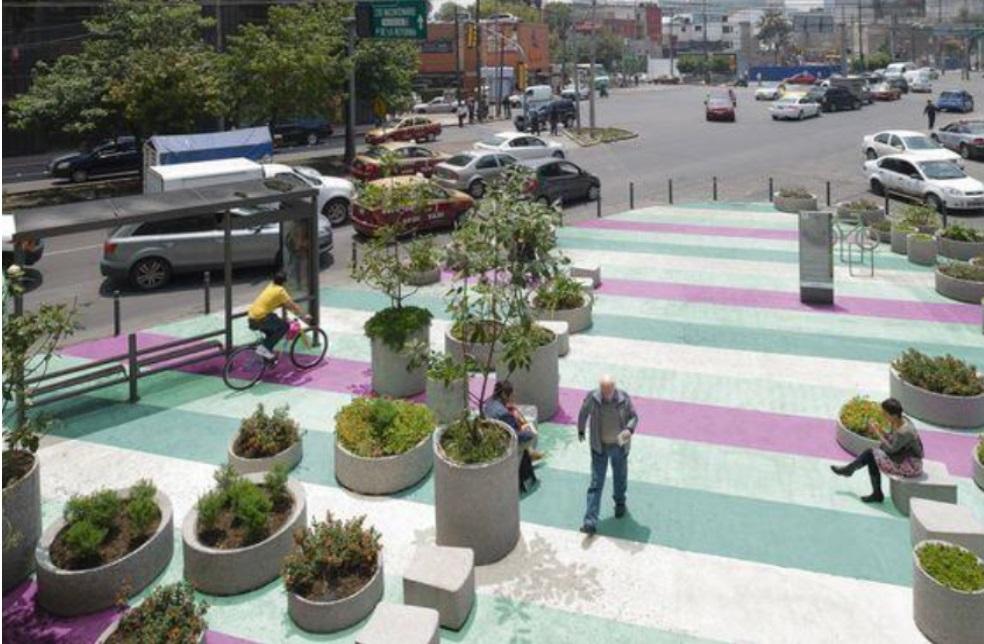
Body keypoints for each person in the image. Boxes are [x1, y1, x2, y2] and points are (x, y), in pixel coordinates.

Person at [830, 398, 924, 504]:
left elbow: (891, 449)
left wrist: (877, 433)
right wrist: (880, 430)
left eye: (885, 413)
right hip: (901, 457)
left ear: (893, 415)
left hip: (910, 464)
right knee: (872, 455)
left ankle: (853, 473)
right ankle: (871, 489)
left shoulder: (905, 431)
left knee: (871, 454)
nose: (883, 416)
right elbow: (892, 439)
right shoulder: (898, 421)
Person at [578, 375, 638, 535]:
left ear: (614, 388)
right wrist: (581, 429)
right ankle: (590, 521)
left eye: (609, 390)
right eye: (603, 391)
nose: (606, 394)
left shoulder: (624, 398)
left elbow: (634, 417)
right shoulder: (593, 398)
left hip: (619, 446)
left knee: (620, 477)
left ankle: (620, 502)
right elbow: (583, 412)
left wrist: (629, 429)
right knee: (596, 482)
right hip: (600, 446)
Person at [247, 272, 306, 360]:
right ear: (284, 282)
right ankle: (264, 349)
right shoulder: (280, 291)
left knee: (273, 329)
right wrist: (304, 315)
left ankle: (267, 354)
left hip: (252, 317)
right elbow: (292, 305)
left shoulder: (270, 285)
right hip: (261, 318)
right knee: (285, 326)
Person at [483, 381, 544, 461]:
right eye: (511, 394)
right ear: (504, 395)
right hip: (503, 440)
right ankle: (528, 455)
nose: (513, 396)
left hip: (490, 433)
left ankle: (530, 453)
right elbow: (514, 435)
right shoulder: (504, 414)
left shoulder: (489, 402)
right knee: (529, 434)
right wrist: (529, 432)